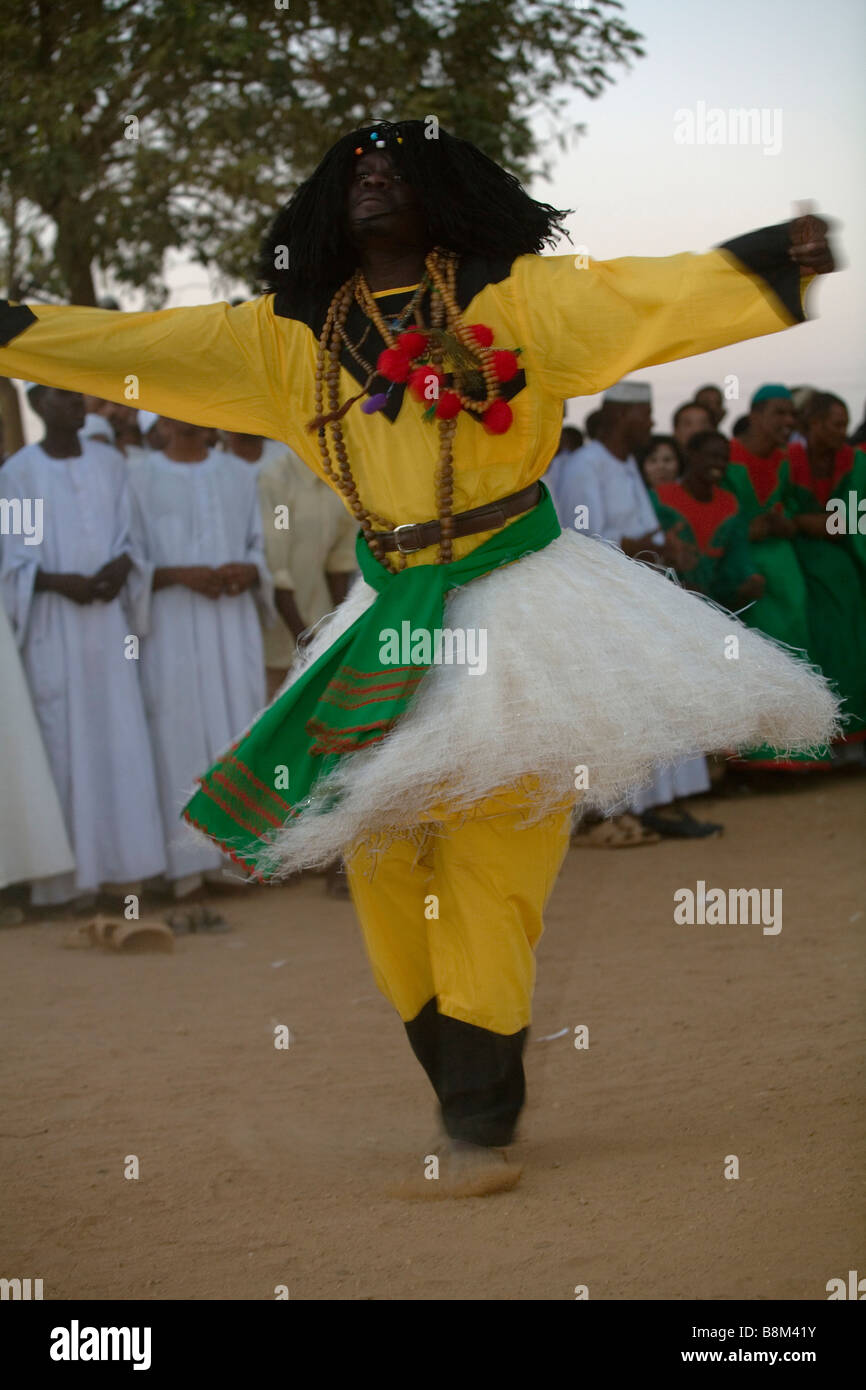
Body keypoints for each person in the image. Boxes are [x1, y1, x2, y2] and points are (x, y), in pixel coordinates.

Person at [0, 120, 839, 1194]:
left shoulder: (516, 298)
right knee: (383, 858)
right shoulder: (282, 336)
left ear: (444, 189)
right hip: (387, 612)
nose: (373, 172)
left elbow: (643, 297)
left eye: (396, 161)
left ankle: (478, 1123)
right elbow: (143, 345)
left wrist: (773, 255)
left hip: (518, 600)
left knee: (493, 846)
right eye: (354, 163)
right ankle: (463, 1080)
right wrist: (17, 327)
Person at [1, 386, 165, 906]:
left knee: (120, 738)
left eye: (78, 397)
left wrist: (122, 567)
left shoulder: (109, 464)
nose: (75, 403)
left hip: (109, 625)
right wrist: (55, 583)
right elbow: (15, 560)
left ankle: (126, 872)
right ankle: (66, 884)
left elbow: (132, 539)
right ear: (37, 406)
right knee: (64, 742)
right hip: (54, 626)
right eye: (61, 396)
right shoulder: (20, 474)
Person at [558, 382, 721, 840]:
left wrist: (669, 548)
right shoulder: (585, 466)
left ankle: (660, 804)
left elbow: (644, 528)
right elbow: (585, 541)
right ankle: (625, 808)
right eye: (645, 414)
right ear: (619, 416)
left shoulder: (625, 462)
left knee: (664, 699)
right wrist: (647, 546)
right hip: (603, 605)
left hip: (640, 597)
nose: (652, 424)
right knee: (623, 707)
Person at [127, 417, 275, 896]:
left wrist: (249, 570)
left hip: (231, 622)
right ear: (160, 417)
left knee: (239, 725)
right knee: (177, 728)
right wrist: (173, 575)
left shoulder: (238, 474)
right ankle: (186, 868)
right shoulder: (139, 477)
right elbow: (130, 557)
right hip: (170, 627)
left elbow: (261, 544)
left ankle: (237, 859)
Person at [722, 384, 822, 769]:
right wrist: (749, 532)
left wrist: (787, 524)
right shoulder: (727, 458)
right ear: (757, 414)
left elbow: (795, 508)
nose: (788, 421)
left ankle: (797, 752)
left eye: (791, 415)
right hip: (746, 569)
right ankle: (756, 755)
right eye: (780, 413)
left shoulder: (784, 461)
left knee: (796, 649)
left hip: (785, 570)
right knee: (756, 655)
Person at [784, 392, 866, 753]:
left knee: (846, 635)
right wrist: (806, 523)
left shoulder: (855, 462)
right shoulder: (787, 461)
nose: (843, 431)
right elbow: (775, 514)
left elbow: (849, 522)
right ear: (813, 423)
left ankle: (849, 735)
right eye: (836, 424)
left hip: (840, 558)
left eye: (845, 424)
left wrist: (800, 521)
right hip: (792, 556)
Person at [651, 430, 764, 611]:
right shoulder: (661, 498)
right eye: (712, 456)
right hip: (664, 601)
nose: (718, 464)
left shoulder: (730, 505)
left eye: (723, 458)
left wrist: (748, 582)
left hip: (713, 607)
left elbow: (737, 557)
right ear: (691, 455)